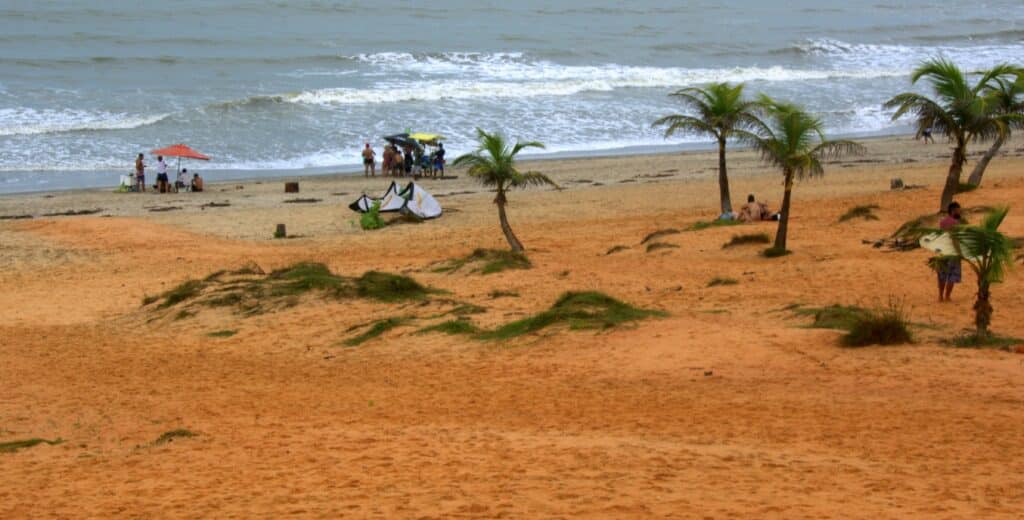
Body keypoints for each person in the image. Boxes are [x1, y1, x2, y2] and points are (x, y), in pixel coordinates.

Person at [935, 201, 963, 302]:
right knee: (951, 276)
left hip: (942, 251)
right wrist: (959, 253)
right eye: (959, 211)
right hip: (952, 252)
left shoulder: (942, 222)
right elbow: (955, 240)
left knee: (942, 275)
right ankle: (947, 296)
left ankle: (940, 296)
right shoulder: (956, 223)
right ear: (953, 211)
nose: (960, 213)